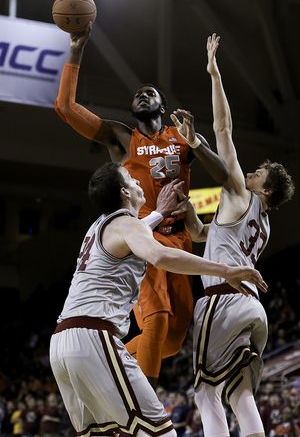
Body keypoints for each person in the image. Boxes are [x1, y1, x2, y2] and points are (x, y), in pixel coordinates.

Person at [54, 21, 230, 388]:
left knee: (174, 338)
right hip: (143, 238)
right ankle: (145, 410)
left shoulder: (181, 138)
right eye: (137, 94)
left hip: (179, 239)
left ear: (163, 107)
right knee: (158, 319)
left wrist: (196, 142)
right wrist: (76, 49)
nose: (142, 95)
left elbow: (226, 175)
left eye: (150, 93)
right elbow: (66, 107)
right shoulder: (121, 136)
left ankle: (106, 357)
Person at [49, 161, 268, 437]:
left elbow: (136, 231)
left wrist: (158, 213)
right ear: (124, 193)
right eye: (131, 178)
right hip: (93, 336)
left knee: (105, 434)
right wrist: (226, 270)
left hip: (61, 343)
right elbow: (161, 256)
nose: (139, 181)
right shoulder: (126, 223)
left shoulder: (98, 227)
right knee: (161, 432)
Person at [171, 34, 295, 437]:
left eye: (259, 173)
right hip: (252, 309)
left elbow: (223, 127)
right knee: (239, 393)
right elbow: (201, 234)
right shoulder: (263, 222)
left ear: (266, 190)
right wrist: (189, 210)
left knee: (206, 393)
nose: (251, 171)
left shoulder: (241, 190)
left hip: (223, 301)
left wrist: (214, 73)